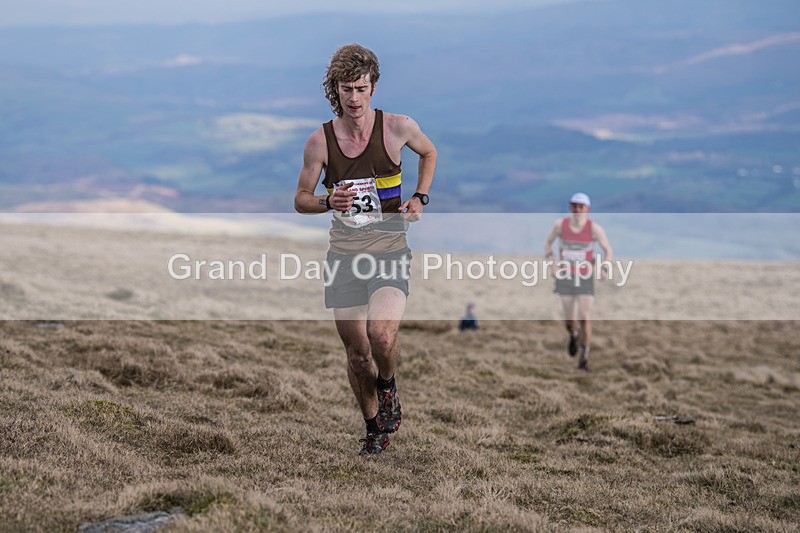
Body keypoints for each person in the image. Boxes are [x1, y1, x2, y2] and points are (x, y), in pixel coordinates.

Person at [294, 43, 437, 455]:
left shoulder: (398, 127)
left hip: (390, 248)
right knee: (358, 356)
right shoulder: (319, 142)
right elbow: (300, 198)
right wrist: (326, 202)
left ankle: (388, 385)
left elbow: (429, 152)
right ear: (334, 90)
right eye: (345, 89)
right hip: (344, 256)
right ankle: (374, 428)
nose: (353, 98)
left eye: (360, 88)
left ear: (373, 87)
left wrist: (419, 197)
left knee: (381, 333)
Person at [543, 192, 612, 372]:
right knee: (569, 320)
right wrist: (552, 263)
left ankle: (584, 359)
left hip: (585, 276)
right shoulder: (560, 225)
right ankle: (573, 334)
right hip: (565, 276)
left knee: (585, 317)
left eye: (581, 207)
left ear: (587, 209)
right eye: (574, 206)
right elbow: (547, 244)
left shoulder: (594, 229)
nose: (577, 210)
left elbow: (608, 250)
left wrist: (604, 267)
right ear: (569, 207)